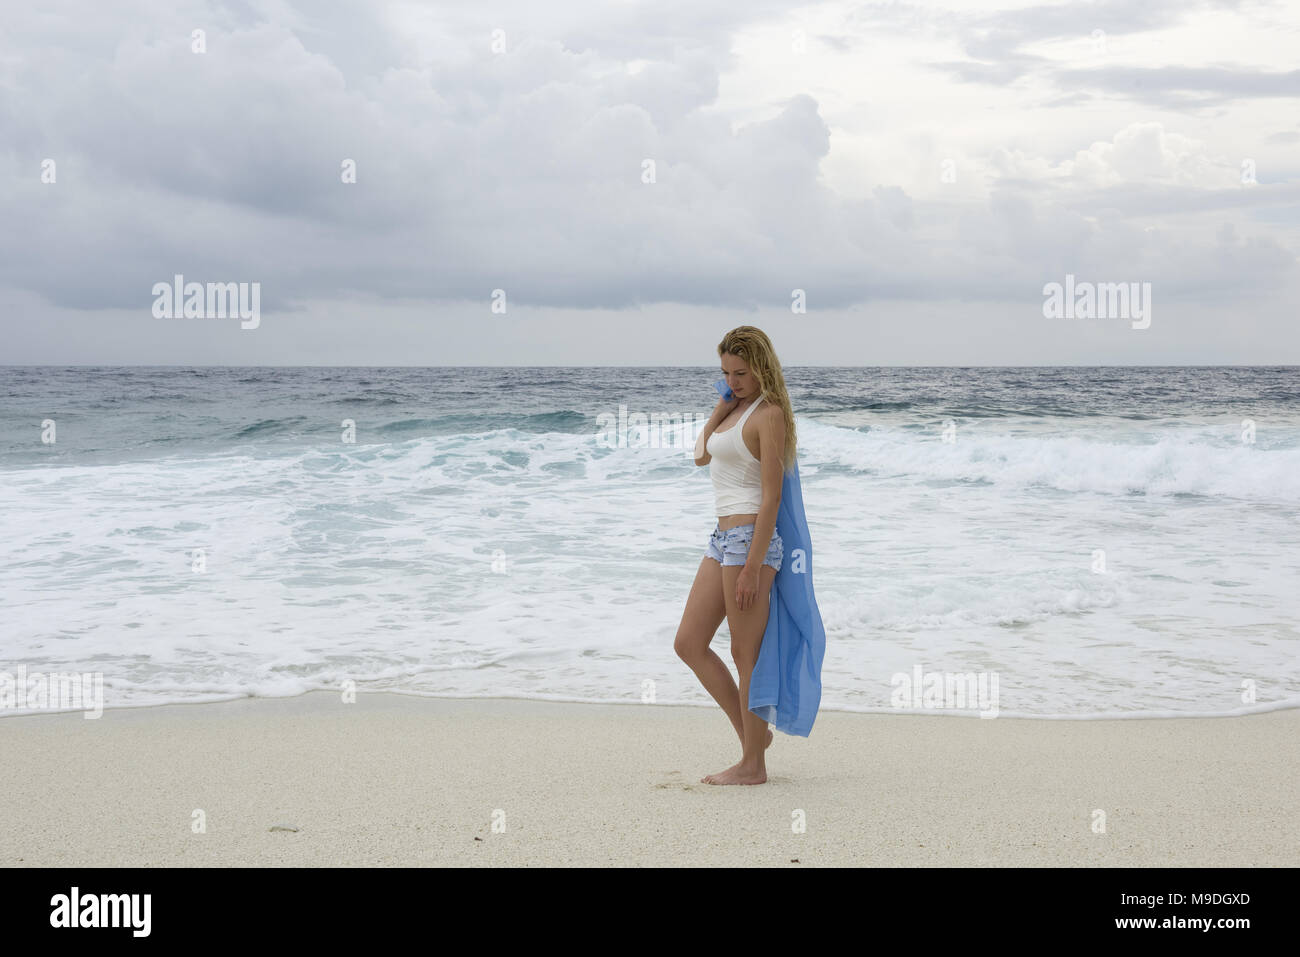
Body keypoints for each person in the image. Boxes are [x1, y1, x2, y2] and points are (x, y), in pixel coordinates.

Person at [676, 325, 800, 786]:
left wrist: (753, 566)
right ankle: (755, 740)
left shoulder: (769, 415)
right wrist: (720, 406)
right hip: (721, 538)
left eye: (741, 373)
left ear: (762, 367)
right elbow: (700, 456)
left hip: (751, 541)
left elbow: (770, 498)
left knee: (745, 652)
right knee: (688, 642)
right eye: (726, 372)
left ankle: (753, 765)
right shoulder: (735, 407)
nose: (733, 380)